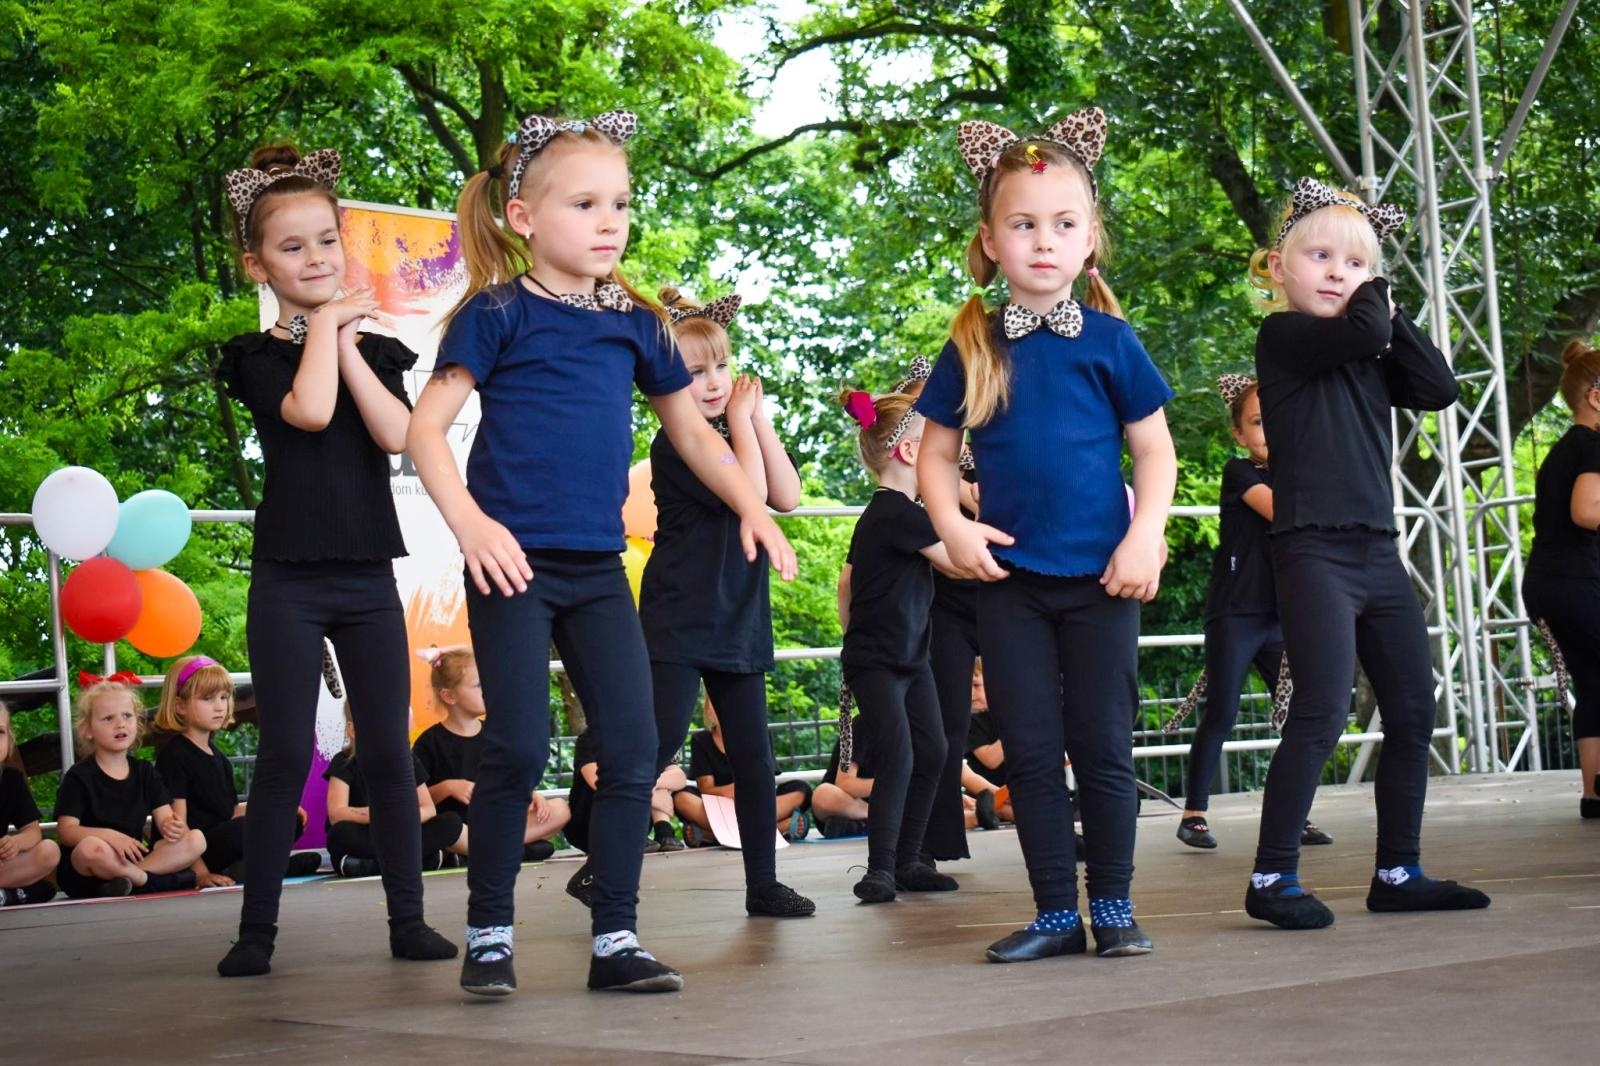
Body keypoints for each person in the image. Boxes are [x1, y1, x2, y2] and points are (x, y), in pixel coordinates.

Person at [408, 109, 796, 996]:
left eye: (620, 202)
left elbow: (695, 439)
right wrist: (472, 525)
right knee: (514, 743)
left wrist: (754, 508)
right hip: (512, 563)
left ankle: (615, 936)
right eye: (585, 203)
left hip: (593, 570)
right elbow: (427, 433)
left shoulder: (637, 322)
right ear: (523, 216)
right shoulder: (494, 313)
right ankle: (491, 933)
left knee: (630, 750)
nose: (611, 220)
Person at [916, 109, 1177, 963]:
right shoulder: (971, 345)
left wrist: (1146, 536)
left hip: (1103, 580)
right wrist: (952, 526)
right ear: (991, 239)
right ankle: (1056, 915)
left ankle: (1115, 904)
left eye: (1063, 224)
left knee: (1102, 747)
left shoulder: (1112, 341)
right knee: (1029, 752)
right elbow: (936, 456)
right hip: (1011, 585)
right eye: (1023, 224)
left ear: (1089, 237)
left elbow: (1154, 450)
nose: (1043, 241)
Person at [215, 143, 454, 976]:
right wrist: (321, 328)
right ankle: (257, 933)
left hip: (365, 577)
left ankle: (408, 920)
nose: (315, 259)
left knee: (389, 749)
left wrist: (348, 336)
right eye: (292, 247)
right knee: (285, 751)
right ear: (257, 263)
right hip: (289, 578)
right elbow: (309, 413)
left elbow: (397, 436)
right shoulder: (254, 357)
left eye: (327, 241)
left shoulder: (374, 350)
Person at [1243, 177, 1489, 928]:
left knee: (1414, 705)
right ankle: (1271, 877)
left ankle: (1397, 869)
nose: (1336, 275)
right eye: (1319, 257)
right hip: (1313, 548)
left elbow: (1439, 387)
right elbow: (1360, 333)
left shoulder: (1368, 346)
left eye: (1353, 266)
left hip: (1376, 551)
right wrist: (1372, 300)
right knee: (1321, 710)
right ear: (1281, 269)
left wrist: (1390, 302)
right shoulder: (1285, 338)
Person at [641, 287, 813, 917]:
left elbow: (786, 496)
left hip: (737, 609)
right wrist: (741, 423)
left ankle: (762, 883)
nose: (714, 384)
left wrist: (756, 417)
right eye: (693, 374)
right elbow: (750, 489)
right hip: (681, 612)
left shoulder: (732, 427)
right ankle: (606, 867)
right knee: (654, 745)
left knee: (754, 752)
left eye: (719, 367)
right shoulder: (679, 442)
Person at [1169, 377, 1330, 851]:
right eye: (1258, 422)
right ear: (1239, 434)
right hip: (1238, 611)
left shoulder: (1300, 470)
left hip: (1283, 614)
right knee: (1222, 708)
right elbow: (1285, 511)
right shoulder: (1241, 473)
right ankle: (1194, 812)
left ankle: (1294, 812)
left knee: (1301, 713)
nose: (1269, 430)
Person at [837, 387, 957, 903]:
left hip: (910, 656)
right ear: (911, 453)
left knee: (934, 749)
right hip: (880, 660)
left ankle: (909, 858)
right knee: (901, 755)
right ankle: (881, 866)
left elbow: (846, 584)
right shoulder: (895, 512)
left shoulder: (899, 511)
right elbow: (957, 562)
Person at [153, 655, 320, 887]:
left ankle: (253, 867)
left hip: (223, 839)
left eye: (224, 697)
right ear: (180, 706)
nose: (219, 706)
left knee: (287, 818)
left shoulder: (218, 757)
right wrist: (200, 874)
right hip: (194, 849)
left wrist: (278, 808)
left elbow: (230, 811)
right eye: (208, 698)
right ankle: (266, 867)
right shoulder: (174, 755)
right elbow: (178, 825)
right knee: (246, 828)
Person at [1521, 337, 1600, 818]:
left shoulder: (1564, 449)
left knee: (1593, 684)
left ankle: (1593, 795)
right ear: (1596, 396)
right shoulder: (1594, 443)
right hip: (1575, 582)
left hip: (1548, 582)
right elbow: (1587, 511)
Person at [412, 645, 570, 862]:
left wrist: (532, 796)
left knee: (560, 808)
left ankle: (491, 850)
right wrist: (449, 787)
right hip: (461, 826)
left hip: (497, 820)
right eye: (478, 685)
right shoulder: (429, 743)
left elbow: (510, 781)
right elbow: (417, 801)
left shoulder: (496, 735)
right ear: (449, 696)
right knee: (449, 826)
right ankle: (509, 849)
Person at [55, 681, 205, 898]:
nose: (120, 724)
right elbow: (67, 832)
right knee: (90, 848)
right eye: (108, 718)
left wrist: (171, 826)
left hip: (133, 859)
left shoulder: (144, 771)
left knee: (195, 839)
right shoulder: (78, 777)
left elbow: (165, 819)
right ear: (87, 730)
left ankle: (129, 880)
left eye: (127, 716)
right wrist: (112, 837)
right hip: (90, 866)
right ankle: (147, 882)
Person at [326, 703, 466, 877]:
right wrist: (380, 813)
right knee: (339, 834)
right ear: (354, 730)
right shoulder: (343, 762)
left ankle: (368, 866)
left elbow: (428, 809)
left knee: (450, 822)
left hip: (402, 830)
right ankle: (418, 861)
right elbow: (336, 814)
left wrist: (401, 816)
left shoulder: (408, 761)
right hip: (365, 834)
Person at [562, 724, 690, 910]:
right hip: (587, 823)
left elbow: (679, 777)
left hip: (629, 816)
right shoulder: (591, 737)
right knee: (631, 781)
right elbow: (596, 780)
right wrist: (650, 791)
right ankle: (590, 880)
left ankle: (664, 832)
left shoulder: (642, 738)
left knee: (654, 777)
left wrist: (651, 784)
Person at [671, 700, 814, 847]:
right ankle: (774, 829)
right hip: (718, 805)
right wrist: (738, 790)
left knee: (801, 790)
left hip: (754, 802)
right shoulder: (701, 740)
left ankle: (712, 835)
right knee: (682, 797)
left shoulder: (759, 734)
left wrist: (742, 792)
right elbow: (707, 789)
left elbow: (764, 783)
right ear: (708, 709)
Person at [0, 700, 59, 905]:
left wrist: (15, 843)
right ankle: (14, 895)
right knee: (42, 890)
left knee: (49, 851)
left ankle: (7, 895)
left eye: (0, 733)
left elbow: (33, 831)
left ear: (10, 740)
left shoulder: (11, 779)